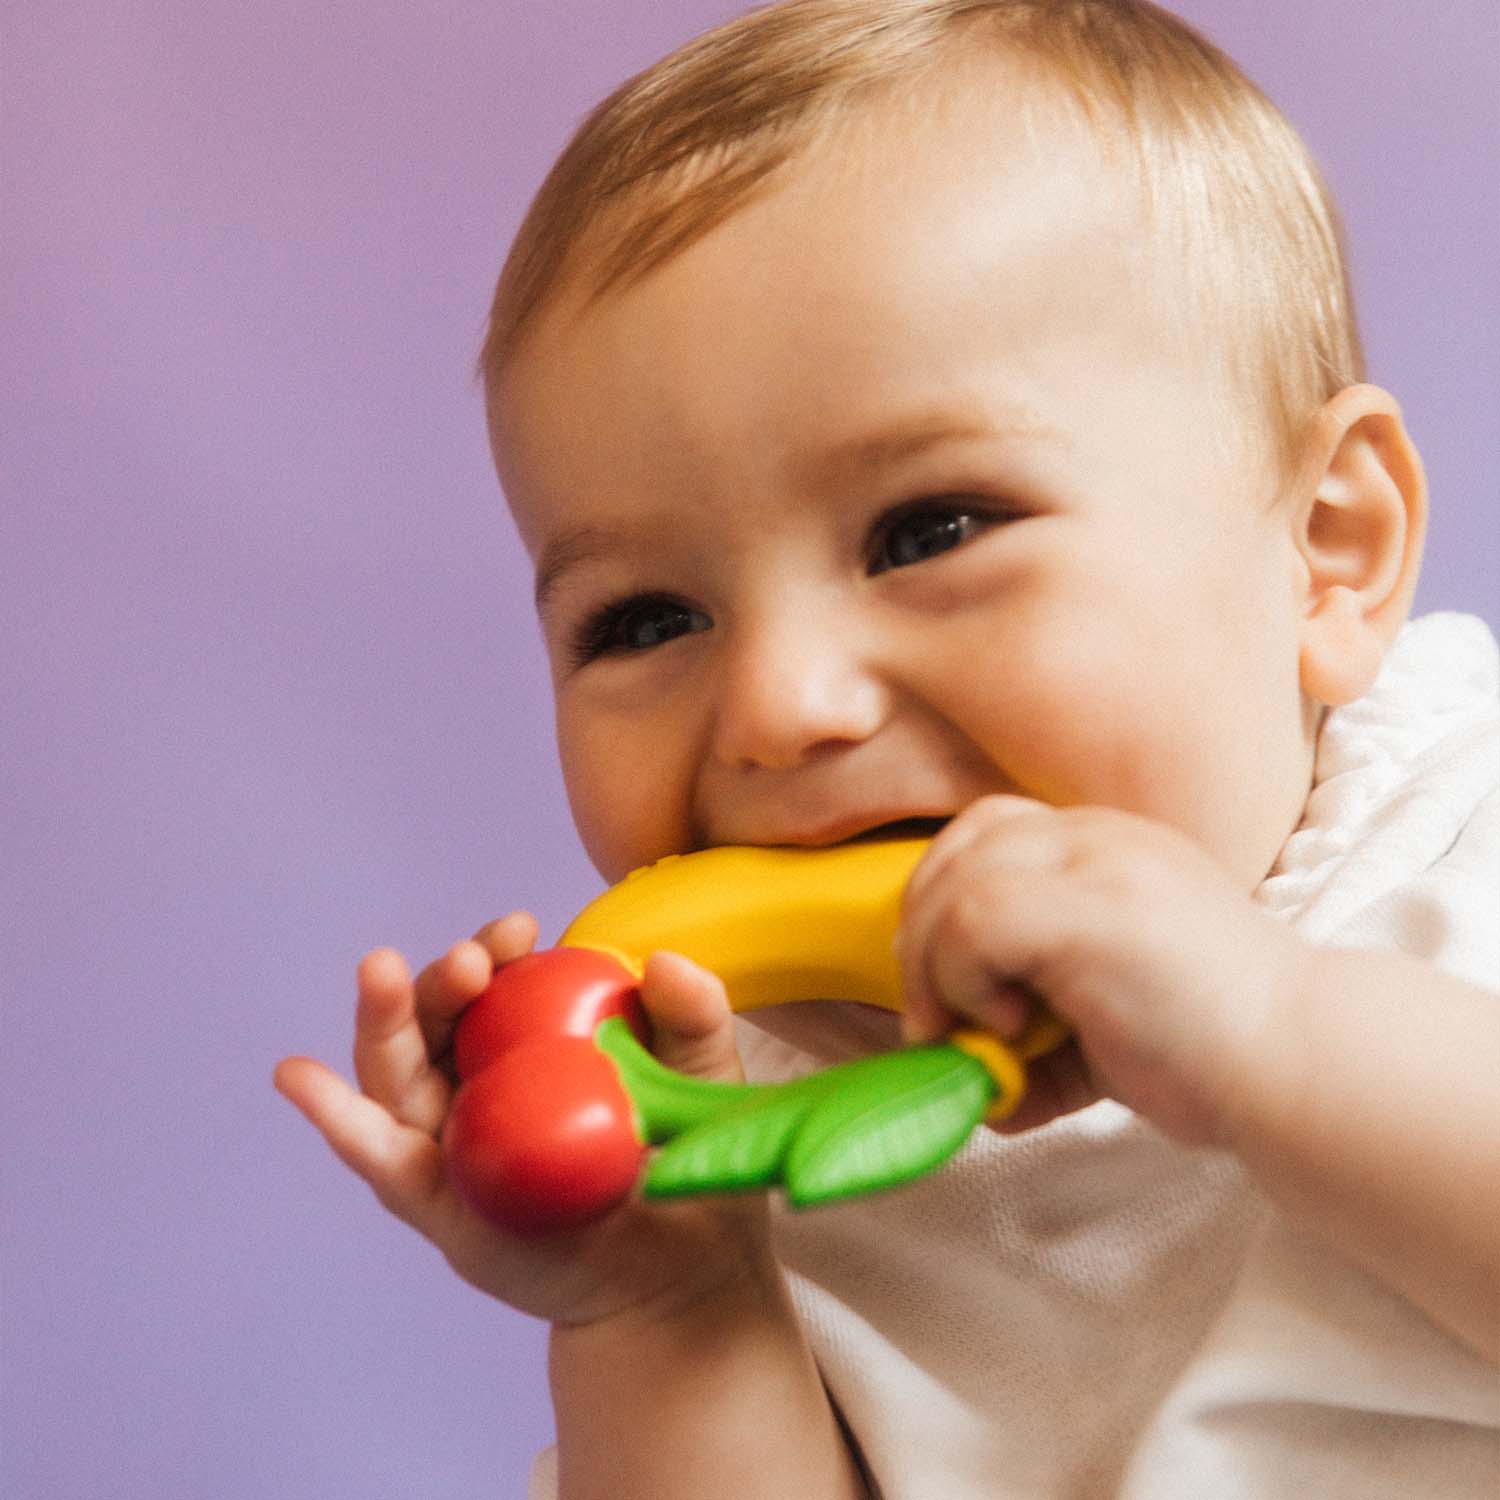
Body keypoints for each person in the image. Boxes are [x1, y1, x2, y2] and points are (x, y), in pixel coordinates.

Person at [274, 2, 1499, 1494]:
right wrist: (668, 1304)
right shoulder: (749, 1118)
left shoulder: (1459, 844)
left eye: (931, 530)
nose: (780, 705)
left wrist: (1270, 1026)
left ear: (1327, 553)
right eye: (645, 619)